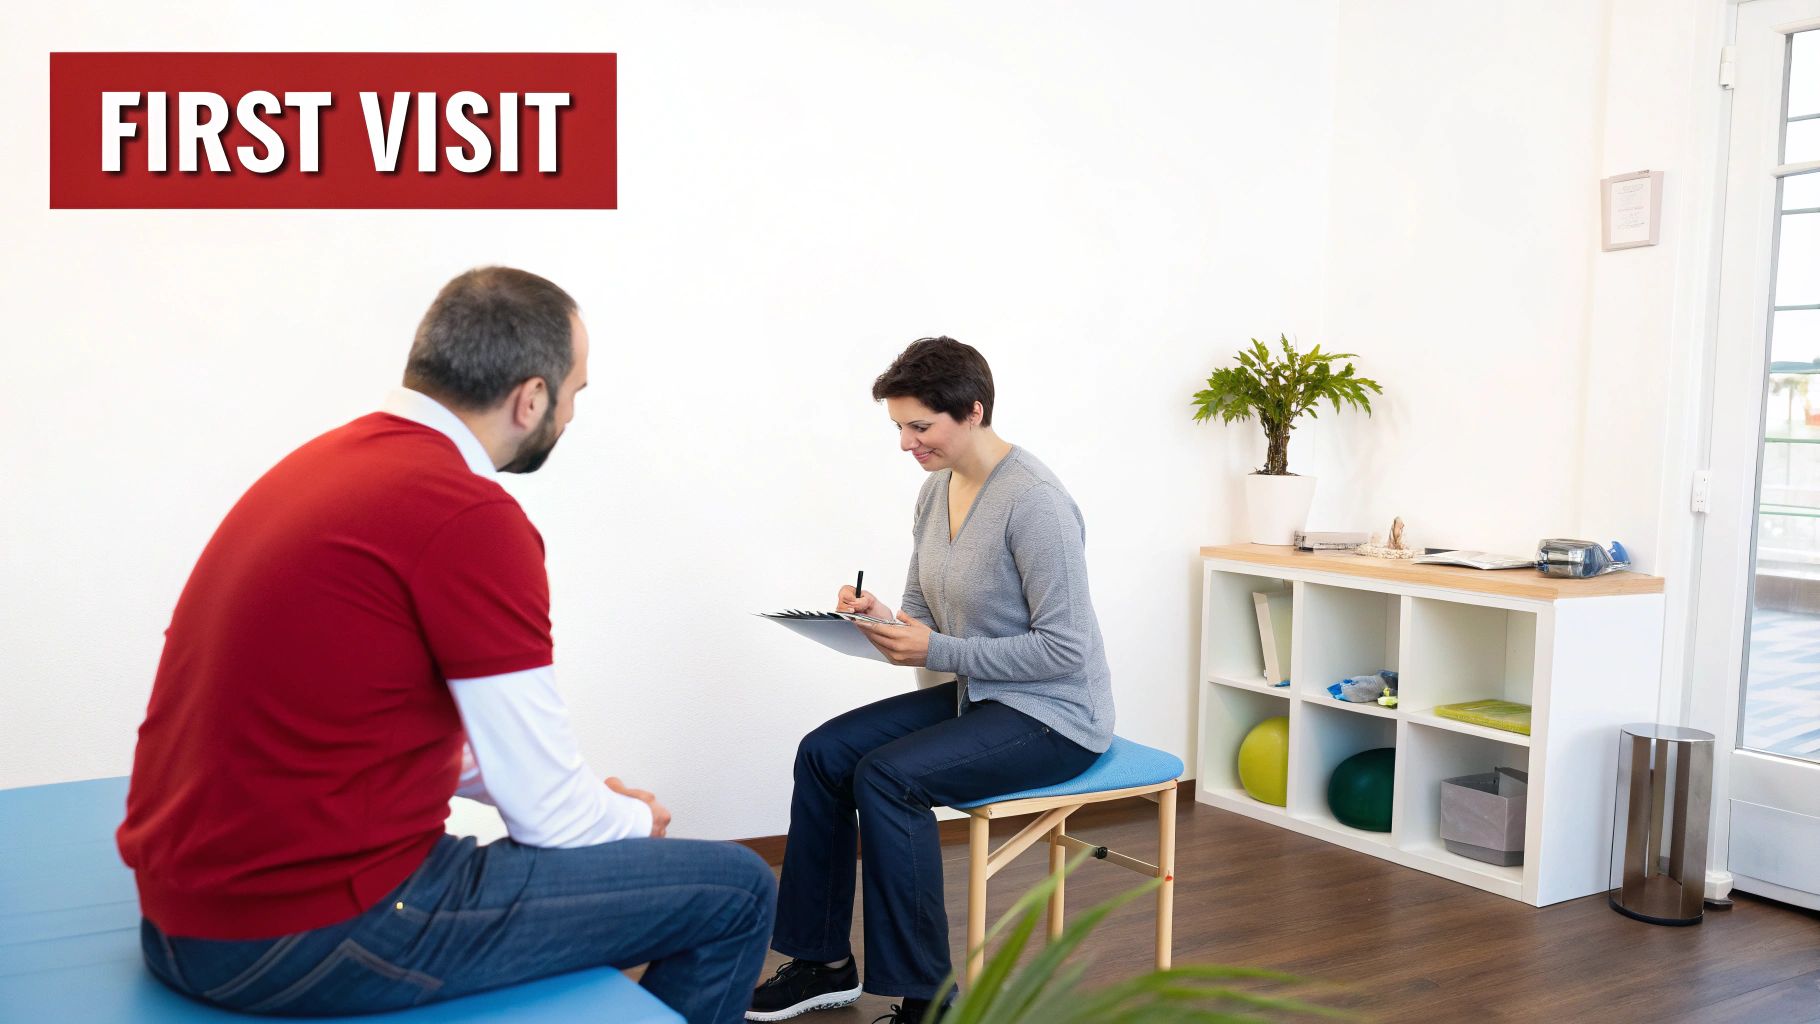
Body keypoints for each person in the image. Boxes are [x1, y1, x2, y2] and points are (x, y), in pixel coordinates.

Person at [117, 267, 776, 1024]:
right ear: (531, 398)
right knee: (737, 890)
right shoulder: (466, 515)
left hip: (183, 922)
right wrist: (631, 823)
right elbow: (551, 819)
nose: (570, 414)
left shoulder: (323, 466)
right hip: (310, 935)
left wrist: (598, 812)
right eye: (575, 394)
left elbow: (380, 727)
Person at [748, 337, 1115, 1024]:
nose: (906, 443)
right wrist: (878, 618)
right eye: (899, 427)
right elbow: (925, 614)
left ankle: (930, 1002)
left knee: (889, 778)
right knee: (824, 753)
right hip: (981, 698)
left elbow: (1064, 649)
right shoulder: (934, 491)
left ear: (973, 410)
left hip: (1056, 715)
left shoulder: (1035, 503)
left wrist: (936, 646)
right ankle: (822, 963)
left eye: (920, 426)